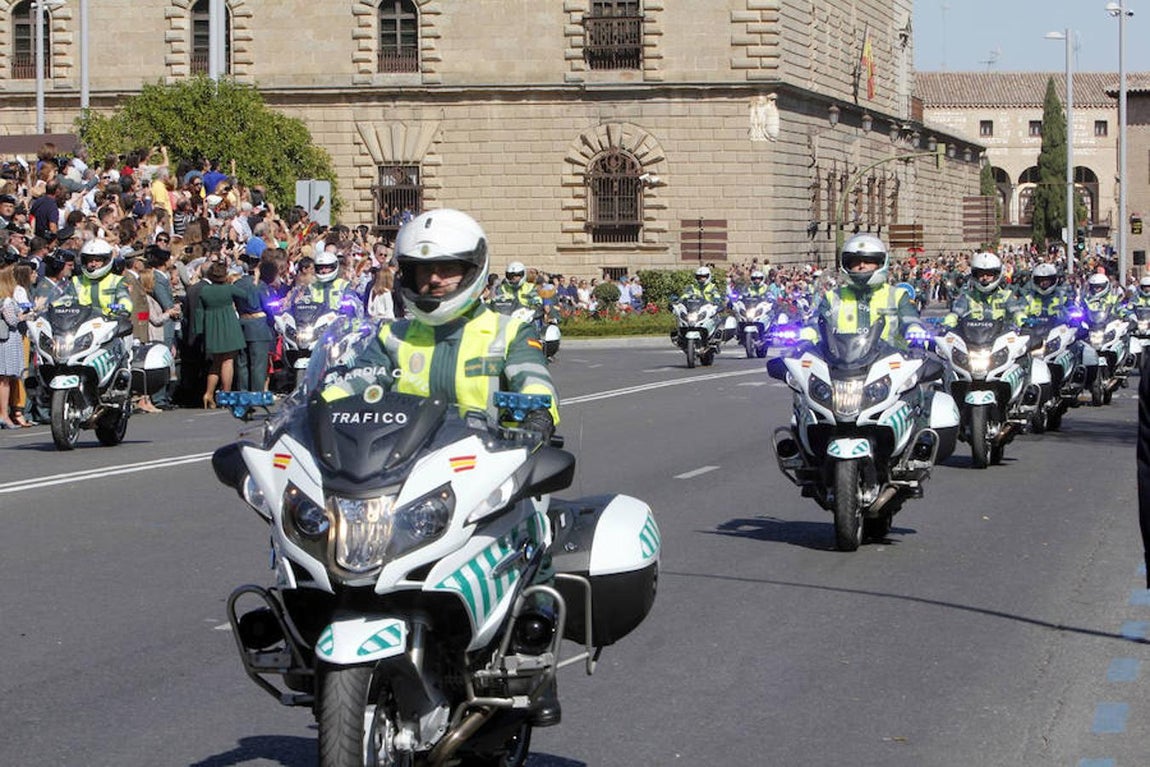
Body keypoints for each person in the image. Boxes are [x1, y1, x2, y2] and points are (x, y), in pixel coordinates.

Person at [324, 208, 559, 437]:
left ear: (472, 270)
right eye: (423, 270)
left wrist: (539, 414)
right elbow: (358, 380)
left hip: (486, 462)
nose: (434, 278)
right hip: (398, 460)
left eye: (447, 268)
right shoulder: (392, 336)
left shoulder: (510, 333)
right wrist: (320, 406)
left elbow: (533, 379)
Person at [799, 234, 925, 347]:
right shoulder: (833, 297)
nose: (862, 265)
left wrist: (914, 328)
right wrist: (808, 332)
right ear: (846, 265)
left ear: (881, 263)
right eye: (855, 261)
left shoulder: (897, 295)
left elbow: (909, 318)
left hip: (890, 364)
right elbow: (818, 321)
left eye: (869, 260)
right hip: (842, 365)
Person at [194, 260, 248, 407]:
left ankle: (209, 393)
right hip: (228, 325)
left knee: (216, 363)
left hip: (212, 327)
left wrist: (200, 331)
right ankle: (226, 395)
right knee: (228, 361)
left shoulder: (204, 291)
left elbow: (199, 312)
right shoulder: (229, 289)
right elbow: (246, 295)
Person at [942, 251, 1025, 329]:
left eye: (989, 274)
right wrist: (949, 320)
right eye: (981, 274)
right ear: (975, 275)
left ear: (997, 274)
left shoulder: (1006, 296)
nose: (985, 277)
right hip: (972, 339)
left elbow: (1016, 312)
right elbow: (956, 312)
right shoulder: (967, 296)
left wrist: (1023, 320)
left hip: (1001, 340)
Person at [69, 238, 133, 316]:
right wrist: (56, 307)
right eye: (90, 260)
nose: (93, 264)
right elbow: (65, 300)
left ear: (106, 260)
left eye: (98, 260)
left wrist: (121, 309)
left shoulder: (117, 281)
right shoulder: (76, 281)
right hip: (80, 323)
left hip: (110, 323)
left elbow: (124, 299)